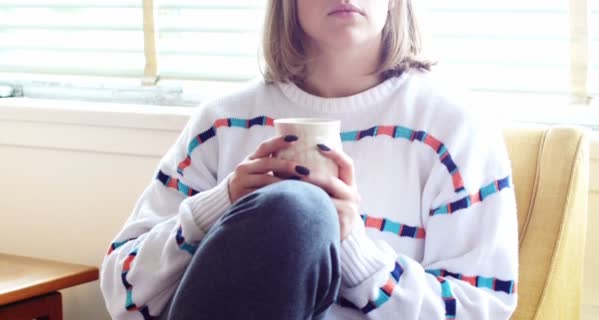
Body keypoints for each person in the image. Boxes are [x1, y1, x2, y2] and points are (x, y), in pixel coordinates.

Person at [100, 0, 519, 319]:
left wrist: (353, 248)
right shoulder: (223, 122)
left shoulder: (453, 127)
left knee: (300, 209)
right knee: (294, 209)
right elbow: (123, 290)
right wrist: (220, 206)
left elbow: (480, 308)